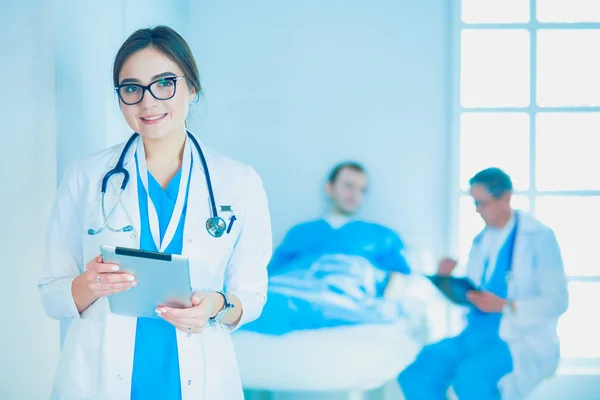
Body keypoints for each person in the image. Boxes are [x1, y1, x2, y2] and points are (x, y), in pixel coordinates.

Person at [38, 26, 272, 400]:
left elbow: (253, 297)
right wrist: (89, 285)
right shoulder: (87, 176)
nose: (147, 102)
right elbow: (51, 295)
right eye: (131, 88)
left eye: (164, 83)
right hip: (99, 380)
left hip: (199, 380)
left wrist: (215, 306)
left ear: (191, 88)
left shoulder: (239, 182)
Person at [398, 167, 568, 400]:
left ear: (505, 197)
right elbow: (474, 296)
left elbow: (557, 302)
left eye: (482, 203)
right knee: (417, 372)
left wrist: (506, 306)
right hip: (474, 334)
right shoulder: (481, 241)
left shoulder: (539, 237)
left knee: (471, 379)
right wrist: (445, 281)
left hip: (515, 339)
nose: (477, 210)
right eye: (474, 203)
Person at [242, 162, 411, 335]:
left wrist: (387, 302)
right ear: (329, 188)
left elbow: (398, 277)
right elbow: (270, 276)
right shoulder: (300, 232)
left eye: (362, 190)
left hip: (349, 297)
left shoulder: (382, 235)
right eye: (348, 186)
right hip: (292, 295)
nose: (355, 195)